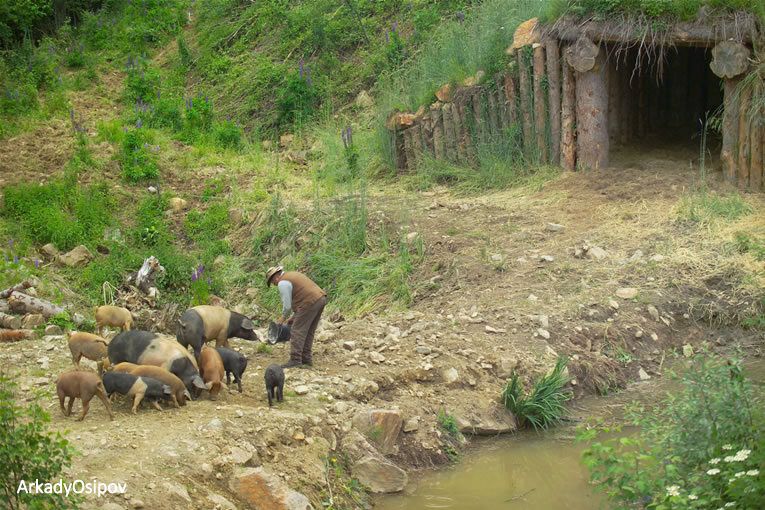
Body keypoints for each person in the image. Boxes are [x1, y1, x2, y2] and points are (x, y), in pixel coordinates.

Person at [266, 266, 326, 369]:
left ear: (275, 277)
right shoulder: (292, 275)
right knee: (309, 330)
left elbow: (287, 306)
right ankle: (306, 359)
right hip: (320, 298)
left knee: (297, 330)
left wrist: (282, 318)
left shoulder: (282, 282)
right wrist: (294, 317)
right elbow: (302, 296)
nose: (274, 285)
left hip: (309, 302)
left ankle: (295, 359)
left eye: (272, 283)